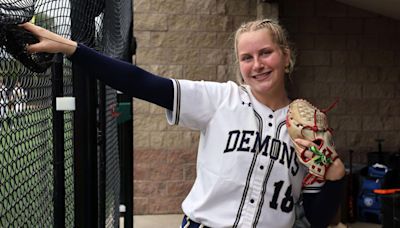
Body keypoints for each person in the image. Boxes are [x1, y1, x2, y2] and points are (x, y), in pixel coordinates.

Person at [20, 18, 345, 228]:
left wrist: (336, 177)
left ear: (286, 56)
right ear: (240, 65)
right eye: (247, 57)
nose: (257, 64)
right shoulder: (221, 99)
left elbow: (316, 220)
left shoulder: (309, 131)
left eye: (266, 53)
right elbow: (143, 82)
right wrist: (73, 49)